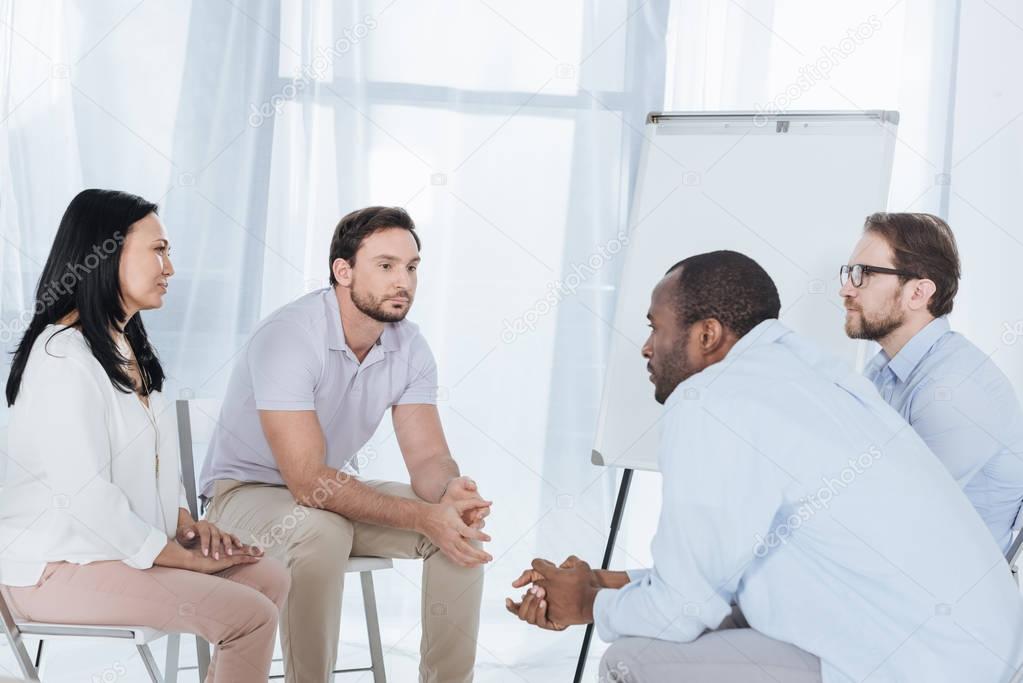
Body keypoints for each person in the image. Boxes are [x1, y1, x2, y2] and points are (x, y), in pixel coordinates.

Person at [507, 250, 1023, 682]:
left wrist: (585, 606)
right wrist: (601, 581)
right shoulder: (808, 375)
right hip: (975, 653)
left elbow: (685, 609)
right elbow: (733, 570)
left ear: (707, 335)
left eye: (655, 328)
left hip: (919, 666)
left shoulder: (712, 400)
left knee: (632, 663)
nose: (646, 348)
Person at [0, 189, 289, 682]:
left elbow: (151, 465)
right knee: (249, 616)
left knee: (268, 576)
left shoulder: (123, 345)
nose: (170, 267)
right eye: (158, 250)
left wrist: (184, 524)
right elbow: (85, 495)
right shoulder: (62, 358)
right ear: (106, 254)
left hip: (110, 553)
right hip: (50, 566)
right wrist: (177, 558)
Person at [198, 206, 491, 683]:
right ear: (343, 270)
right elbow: (307, 480)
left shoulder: (409, 346)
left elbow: (428, 458)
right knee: (322, 532)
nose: (404, 281)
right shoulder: (290, 336)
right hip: (242, 497)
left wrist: (450, 493)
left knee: (458, 532)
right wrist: (422, 515)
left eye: (412, 267)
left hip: (327, 498)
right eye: (386, 266)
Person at [840, 211, 1023, 552]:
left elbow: (901, 520)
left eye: (864, 274)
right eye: (850, 272)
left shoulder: (954, 390)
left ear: (918, 293)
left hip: (939, 589)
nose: (845, 289)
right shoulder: (884, 371)